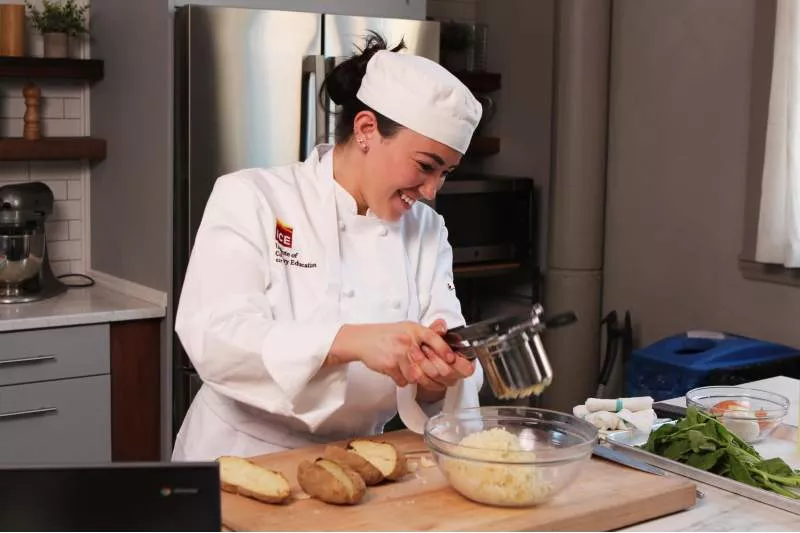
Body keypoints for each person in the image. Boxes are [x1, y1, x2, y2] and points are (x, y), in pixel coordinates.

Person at [172, 33, 484, 461]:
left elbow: (441, 353)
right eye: (425, 166)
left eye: (444, 173)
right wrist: (351, 341)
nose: (432, 191)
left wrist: (436, 379)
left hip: (362, 459)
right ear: (366, 130)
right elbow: (215, 338)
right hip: (240, 454)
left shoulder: (427, 229)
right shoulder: (252, 196)